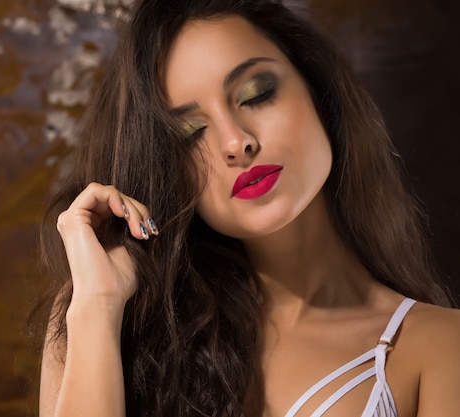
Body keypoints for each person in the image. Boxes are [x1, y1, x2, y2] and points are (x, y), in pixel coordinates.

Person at [35, 0, 460, 416]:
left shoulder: (441, 347)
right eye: (191, 132)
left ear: (318, 93)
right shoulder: (100, 316)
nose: (235, 143)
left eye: (257, 94)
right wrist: (98, 307)